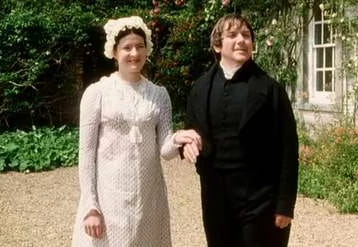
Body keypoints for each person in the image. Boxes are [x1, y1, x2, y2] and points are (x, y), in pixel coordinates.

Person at [71, 16, 200, 246]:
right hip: (109, 197)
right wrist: (91, 206)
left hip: (148, 198)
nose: (134, 53)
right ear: (114, 51)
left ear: (147, 49)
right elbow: (86, 154)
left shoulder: (159, 95)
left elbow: (165, 150)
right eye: (127, 47)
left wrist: (179, 138)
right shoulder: (97, 93)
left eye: (140, 46)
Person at [182, 14, 299, 247]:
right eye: (233, 35)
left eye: (246, 35)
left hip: (260, 199)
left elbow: (288, 149)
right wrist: (187, 145)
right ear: (217, 45)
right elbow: (191, 132)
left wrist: (285, 205)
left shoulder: (270, 90)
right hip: (216, 198)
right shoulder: (200, 89)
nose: (241, 40)